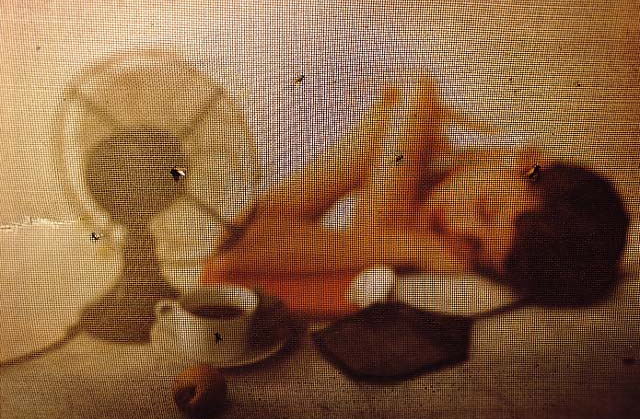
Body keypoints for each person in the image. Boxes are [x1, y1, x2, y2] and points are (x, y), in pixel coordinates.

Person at [201, 77, 630, 315]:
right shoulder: (468, 139)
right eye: (483, 208)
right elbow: (415, 91)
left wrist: (408, 245)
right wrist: (400, 233)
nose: (455, 227)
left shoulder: (442, 243)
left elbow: (233, 246)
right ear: (528, 162)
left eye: (476, 247)